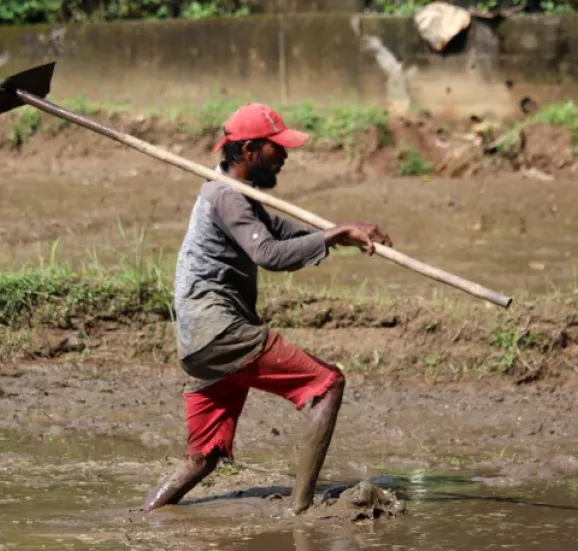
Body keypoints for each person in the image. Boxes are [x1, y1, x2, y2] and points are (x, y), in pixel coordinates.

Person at [142, 103, 393, 515]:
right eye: (278, 149)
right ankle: (301, 510)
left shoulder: (239, 196)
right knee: (327, 385)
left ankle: (144, 517)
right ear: (250, 150)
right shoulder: (225, 195)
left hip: (199, 342)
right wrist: (335, 235)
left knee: (202, 457)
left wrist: (341, 235)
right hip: (222, 330)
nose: (286, 157)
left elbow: (282, 236)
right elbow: (270, 254)